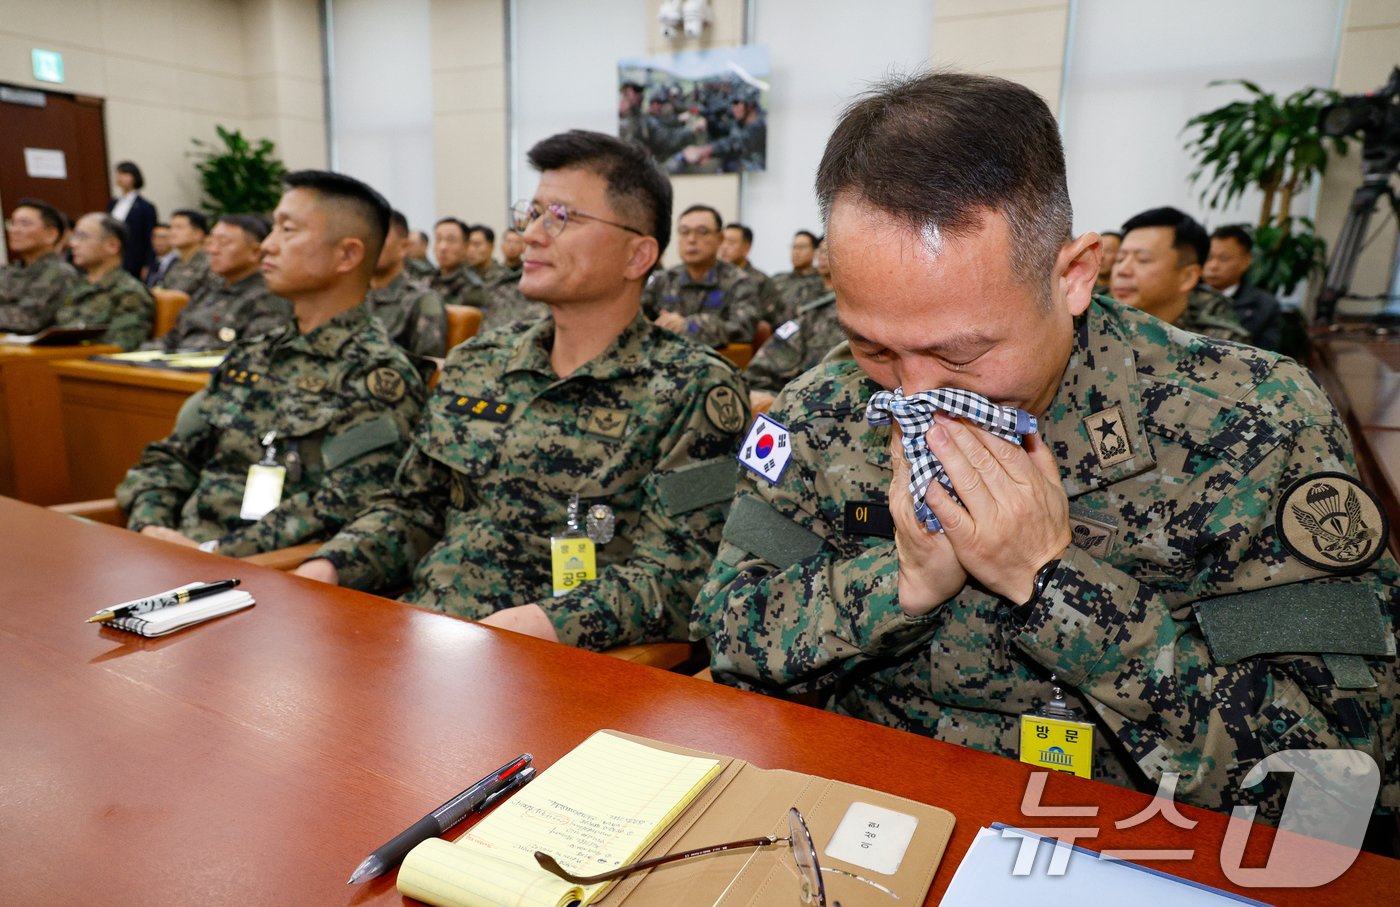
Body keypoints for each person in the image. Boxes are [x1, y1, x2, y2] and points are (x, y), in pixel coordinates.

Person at [692, 71, 1399, 823]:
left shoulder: (1252, 423)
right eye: (872, 345)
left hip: (1125, 842)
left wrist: (1052, 582)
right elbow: (728, 632)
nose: (917, 391)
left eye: (961, 356)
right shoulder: (826, 408)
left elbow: (1344, 777)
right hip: (871, 812)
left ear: (1072, 275)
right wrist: (895, 585)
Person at [295, 129, 748, 652]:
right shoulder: (477, 364)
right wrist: (331, 563)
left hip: (552, 667)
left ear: (637, 255)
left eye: (562, 217)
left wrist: (537, 626)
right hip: (418, 637)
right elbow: (413, 508)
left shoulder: (693, 388)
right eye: (532, 214)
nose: (532, 234)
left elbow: (680, 576)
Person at [115, 171, 425, 557]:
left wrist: (211, 552)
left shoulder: (376, 375)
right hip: (173, 555)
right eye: (272, 228)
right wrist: (151, 523)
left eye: (287, 230)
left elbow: (346, 507)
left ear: (347, 254)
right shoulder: (253, 354)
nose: (266, 246)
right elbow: (172, 456)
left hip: (263, 577)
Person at [147, 214, 291, 352]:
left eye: (223, 243)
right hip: (173, 368)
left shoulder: (269, 295)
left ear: (255, 252)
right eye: (211, 242)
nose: (212, 250)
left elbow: (253, 355)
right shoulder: (209, 288)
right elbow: (172, 338)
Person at [1110, 207, 1250, 343]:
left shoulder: (1222, 348)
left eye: (1143, 260)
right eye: (1119, 259)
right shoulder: (1093, 324)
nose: (1122, 270)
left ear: (1188, 277)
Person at [743, 238, 841, 410]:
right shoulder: (813, 313)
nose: (824, 257)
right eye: (822, 251)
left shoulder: (890, 320)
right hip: (808, 410)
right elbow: (760, 375)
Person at [642, 204, 759, 347]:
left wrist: (689, 326)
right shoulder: (663, 279)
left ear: (720, 239)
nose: (691, 239)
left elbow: (743, 330)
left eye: (702, 232)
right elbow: (634, 317)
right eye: (684, 232)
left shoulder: (739, 282)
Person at [54, 213, 153, 350]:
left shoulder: (128, 292)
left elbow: (120, 347)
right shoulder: (76, 286)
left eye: (82, 237)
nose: (73, 244)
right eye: (74, 237)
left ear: (112, 246)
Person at [364, 209, 447, 358]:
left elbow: (428, 367)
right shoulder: (352, 296)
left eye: (379, 236)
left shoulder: (422, 299)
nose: (370, 243)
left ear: (404, 247)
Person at [0, 198, 79, 334]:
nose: (14, 230)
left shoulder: (60, 273)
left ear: (51, 234)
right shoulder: (7, 271)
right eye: (12, 223)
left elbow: (27, 319)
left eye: (24, 224)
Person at [1204, 225, 1282, 351]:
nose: (1213, 266)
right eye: (1208, 258)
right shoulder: (1184, 295)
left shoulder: (1265, 306)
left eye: (1223, 258)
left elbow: (1266, 358)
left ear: (1246, 261)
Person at [719, 222, 782, 327]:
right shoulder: (712, 277)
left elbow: (770, 321)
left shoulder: (761, 281)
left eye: (731, 242)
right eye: (722, 241)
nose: (724, 247)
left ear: (746, 247)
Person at [106, 161, 157, 280]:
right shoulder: (113, 203)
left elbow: (149, 236)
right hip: (112, 254)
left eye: (125, 174)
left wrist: (148, 264)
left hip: (133, 258)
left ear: (134, 177)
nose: (120, 178)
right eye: (118, 174)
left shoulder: (145, 207)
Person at [767, 230, 825, 325]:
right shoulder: (778, 279)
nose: (796, 252)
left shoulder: (821, 282)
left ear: (815, 251)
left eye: (801, 247)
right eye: (794, 247)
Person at [156, 209, 215, 297]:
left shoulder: (209, 264)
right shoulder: (175, 263)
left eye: (179, 227)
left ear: (197, 234)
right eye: (171, 227)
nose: (172, 232)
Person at [430, 217, 477, 306]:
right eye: (438, 239)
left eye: (451, 240)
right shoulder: (427, 280)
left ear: (465, 246)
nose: (442, 247)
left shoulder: (472, 288)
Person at [463, 224, 508, 308]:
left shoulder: (505, 278)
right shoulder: (461, 278)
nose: (470, 250)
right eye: (467, 245)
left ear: (491, 247)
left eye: (476, 245)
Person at [145, 223, 175, 287]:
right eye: (154, 237)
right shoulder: (150, 263)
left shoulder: (177, 263)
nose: (157, 241)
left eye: (163, 237)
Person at [1094, 230, 1121, 296]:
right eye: (1099, 249)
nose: (1101, 256)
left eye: (1109, 250)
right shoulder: (1079, 289)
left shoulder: (1123, 295)